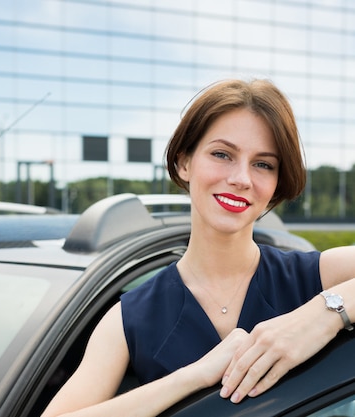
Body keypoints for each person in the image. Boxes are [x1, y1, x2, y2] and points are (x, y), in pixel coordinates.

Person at [41, 78, 355, 417]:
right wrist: (193, 377)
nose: (241, 178)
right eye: (222, 154)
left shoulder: (319, 277)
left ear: (277, 181)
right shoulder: (129, 318)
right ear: (183, 163)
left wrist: (322, 316)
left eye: (263, 164)